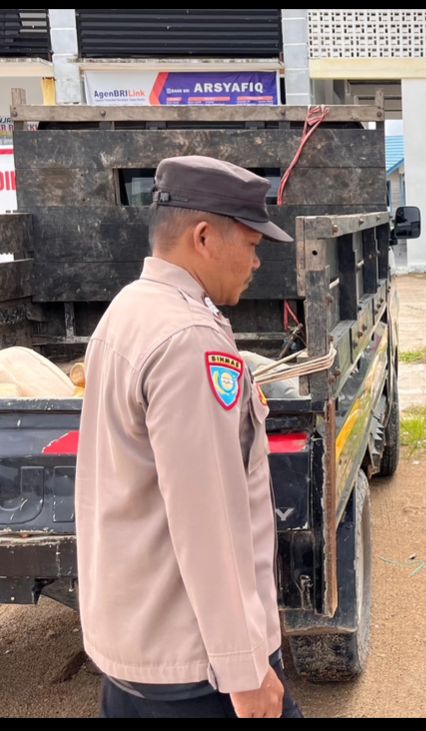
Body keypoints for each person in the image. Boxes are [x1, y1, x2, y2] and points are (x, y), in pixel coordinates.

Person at [75, 156, 302, 718]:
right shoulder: (190, 340)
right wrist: (245, 668)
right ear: (204, 237)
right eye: (251, 244)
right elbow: (209, 521)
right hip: (196, 664)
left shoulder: (128, 309)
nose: (255, 261)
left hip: (135, 645)